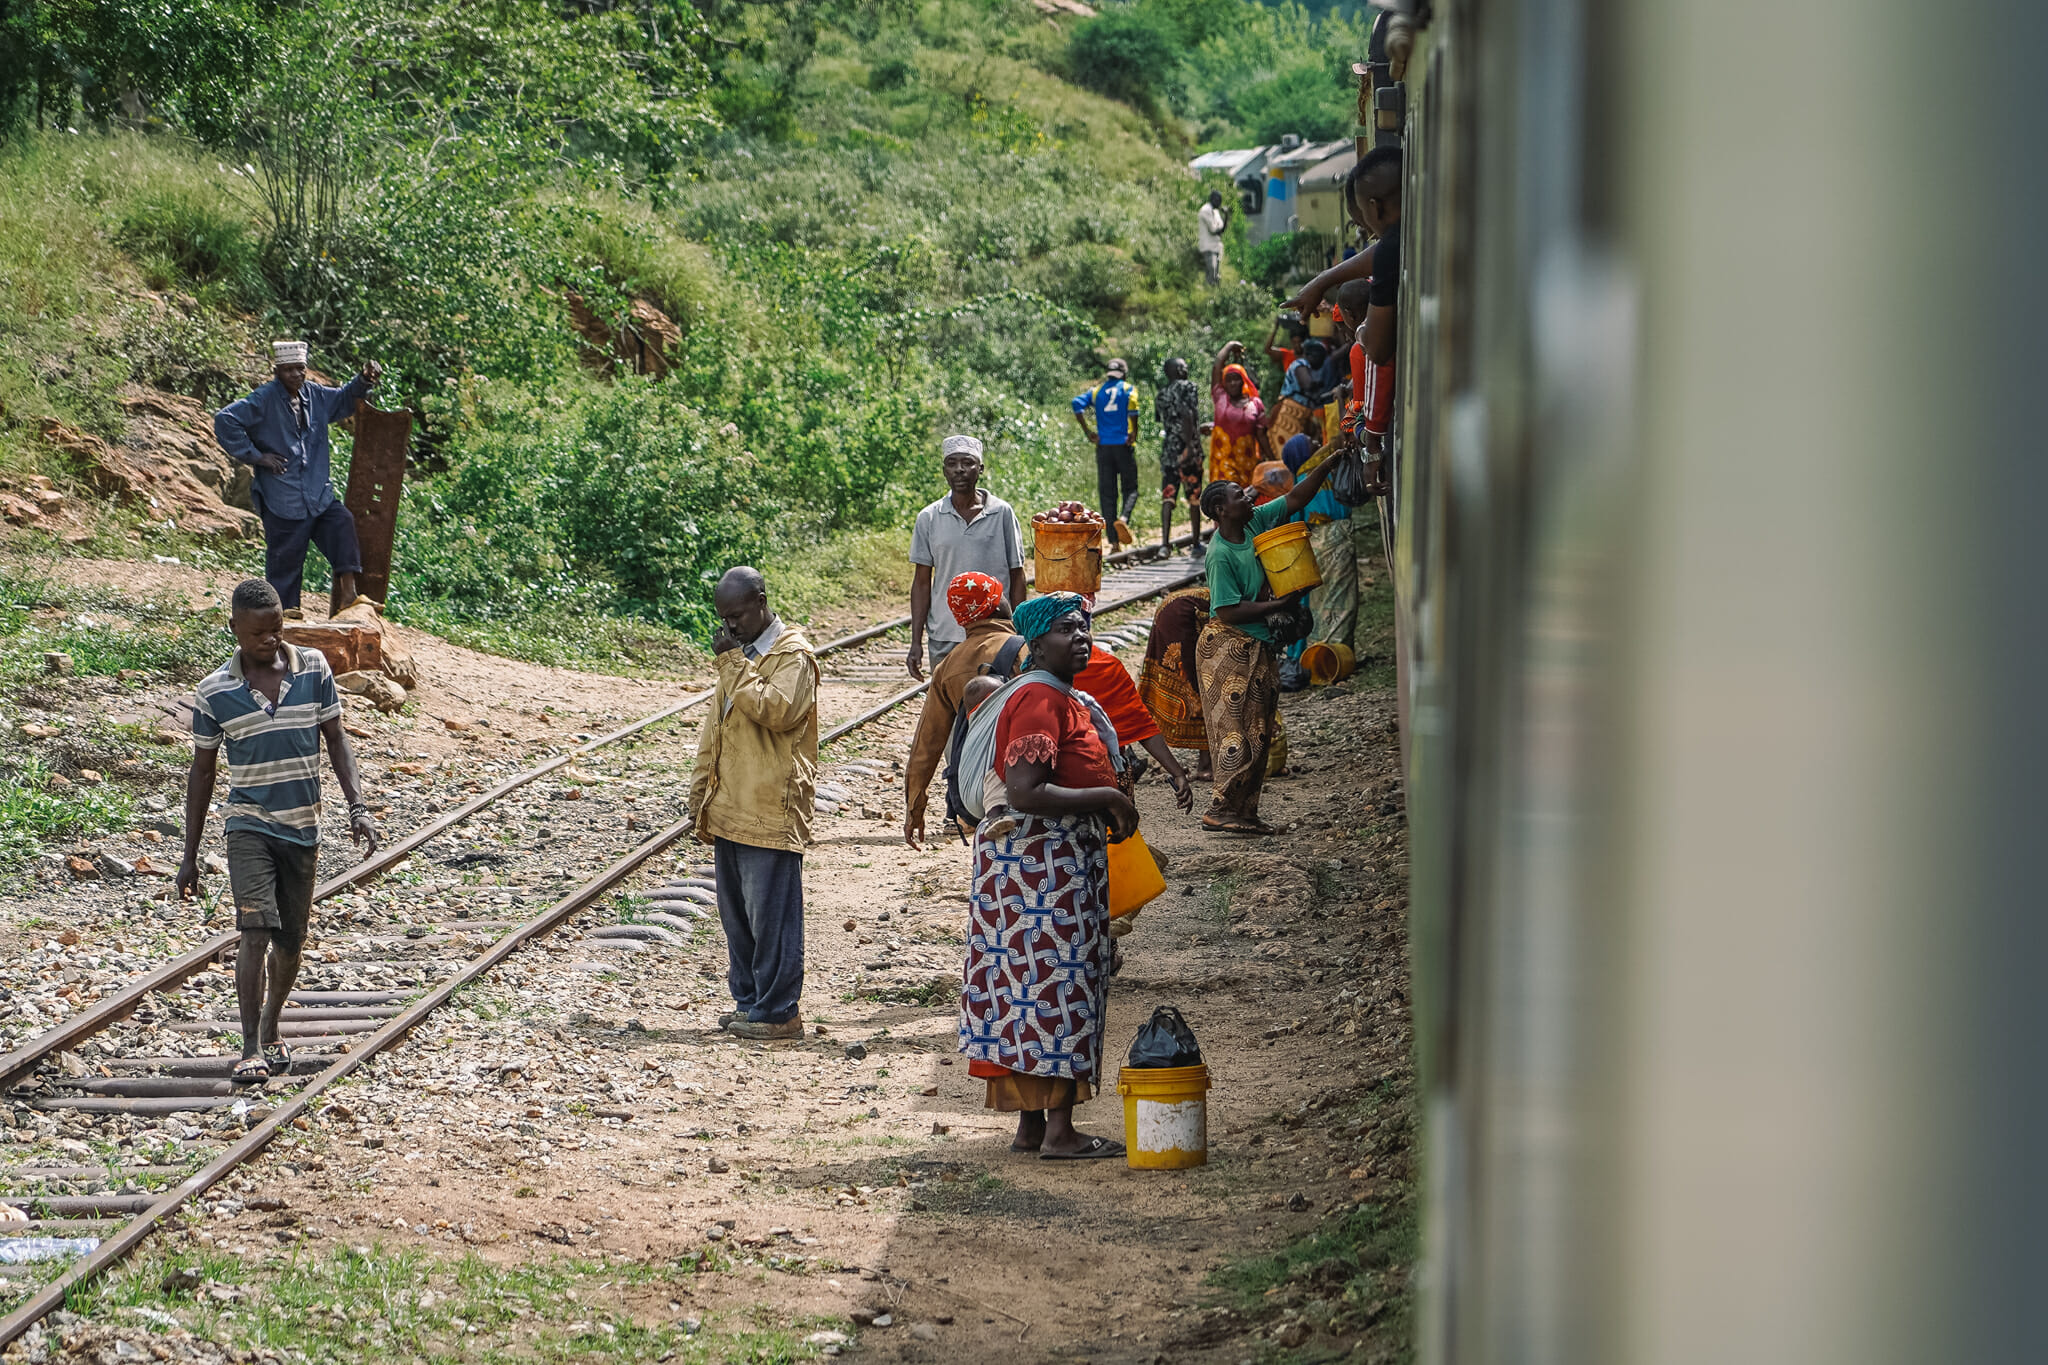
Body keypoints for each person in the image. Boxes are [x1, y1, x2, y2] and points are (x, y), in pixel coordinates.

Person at [175, 579, 378, 1082]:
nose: (269, 640)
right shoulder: (214, 692)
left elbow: (336, 739)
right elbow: (202, 772)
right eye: (257, 633)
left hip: (302, 826)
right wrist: (190, 853)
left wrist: (358, 806)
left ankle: (271, 1026)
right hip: (248, 824)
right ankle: (248, 1049)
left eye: (276, 629)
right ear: (234, 630)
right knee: (255, 929)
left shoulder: (313, 668)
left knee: (291, 941)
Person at [958, 592, 1137, 1160]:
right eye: (1067, 630)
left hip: (1038, 868)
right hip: (1043, 871)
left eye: (1086, 629)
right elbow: (1025, 790)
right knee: (1057, 987)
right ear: (1036, 645)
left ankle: (1032, 1127)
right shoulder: (1039, 698)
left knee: (1025, 991)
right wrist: (1107, 794)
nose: (1081, 638)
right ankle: (1060, 1132)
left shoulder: (1058, 695)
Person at [689, 567, 820, 1041]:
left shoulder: (793, 656)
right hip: (731, 806)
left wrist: (730, 664)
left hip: (770, 806)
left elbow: (778, 711)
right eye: (724, 618)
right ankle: (750, 1003)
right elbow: (716, 730)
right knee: (739, 918)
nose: (730, 627)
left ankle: (779, 1011)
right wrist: (701, 791)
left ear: (761, 602)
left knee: (772, 918)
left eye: (738, 616)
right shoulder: (739, 657)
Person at [1195, 453, 1340, 834]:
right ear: (1219, 510)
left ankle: (1244, 812)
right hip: (1228, 647)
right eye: (1237, 495)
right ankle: (1221, 808)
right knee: (1235, 734)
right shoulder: (1221, 554)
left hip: (1256, 646)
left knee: (1259, 731)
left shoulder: (1255, 522)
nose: (1247, 495)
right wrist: (1277, 605)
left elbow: (1295, 499)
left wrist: (1326, 466)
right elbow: (1226, 610)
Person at [213, 342, 383, 620]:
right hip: (283, 496)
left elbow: (342, 400)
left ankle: (349, 596)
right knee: (285, 560)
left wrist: (363, 380)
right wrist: (257, 456)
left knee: (342, 524)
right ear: (277, 371)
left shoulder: (314, 395)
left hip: (317, 493)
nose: (295, 375)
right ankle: (285, 616)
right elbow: (225, 420)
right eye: (288, 369)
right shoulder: (264, 399)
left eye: (300, 369)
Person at [904, 572, 1025, 850]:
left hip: (975, 786)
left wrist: (914, 810)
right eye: (1001, 594)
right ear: (996, 605)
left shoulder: (947, 666)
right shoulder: (1024, 650)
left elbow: (927, 743)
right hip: (1025, 773)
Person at [908, 435, 1027, 680]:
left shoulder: (1001, 512)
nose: (959, 470)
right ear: (944, 470)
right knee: (948, 707)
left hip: (996, 632)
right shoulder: (929, 518)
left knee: (996, 702)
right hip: (946, 633)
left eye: (968, 463)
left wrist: (1020, 630)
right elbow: (921, 582)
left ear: (980, 468)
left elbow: (1017, 574)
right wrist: (916, 641)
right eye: (952, 463)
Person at [1062, 639, 1196, 813]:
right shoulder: (1035, 679)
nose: (1077, 635)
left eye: (1080, 627)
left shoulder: (1107, 667)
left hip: (1100, 780)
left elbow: (1140, 724)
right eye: (1066, 629)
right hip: (1072, 784)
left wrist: (1177, 773)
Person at [1135, 587, 1212, 782]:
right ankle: (1206, 765)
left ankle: (1206, 763)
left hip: (1174, 608)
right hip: (1181, 616)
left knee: (1203, 687)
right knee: (1200, 687)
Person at [1071, 359, 1142, 549]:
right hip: (1123, 445)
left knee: (1107, 494)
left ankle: (1113, 542)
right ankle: (1124, 518)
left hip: (1103, 447)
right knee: (1131, 488)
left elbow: (1076, 403)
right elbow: (1133, 408)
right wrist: (1134, 431)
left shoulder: (1097, 391)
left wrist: (1088, 431)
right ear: (1124, 374)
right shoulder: (1128, 389)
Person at [1155, 358, 1203, 555]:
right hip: (1188, 449)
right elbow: (1187, 414)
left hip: (1169, 450)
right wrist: (1190, 447)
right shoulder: (1188, 387)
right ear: (1176, 371)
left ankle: (1164, 545)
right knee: (1194, 495)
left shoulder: (1161, 394)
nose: (1186, 369)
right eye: (1183, 366)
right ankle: (1196, 543)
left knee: (1169, 495)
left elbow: (1161, 420)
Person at [1208, 341, 1271, 490]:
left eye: (1237, 379)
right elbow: (1217, 365)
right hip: (1222, 462)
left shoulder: (1255, 404)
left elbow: (1261, 435)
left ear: (1244, 381)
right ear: (1224, 383)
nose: (1233, 383)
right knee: (1224, 496)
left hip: (1247, 464)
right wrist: (1230, 346)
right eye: (1228, 380)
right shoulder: (1220, 397)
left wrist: (1274, 460)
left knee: (1243, 502)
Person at [1268, 337, 1330, 450]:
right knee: (1289, 450)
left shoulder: (1309, 367)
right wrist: (1319, 385)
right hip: (1290, 414)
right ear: (1312, 356)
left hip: (1301, 415)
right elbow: (1307, 384)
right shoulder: (1300, 364)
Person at [1197, 190, 1229, 286]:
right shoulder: (1206, 210)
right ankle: (1208, 296)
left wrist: (1226, 216)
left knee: (1216, 276)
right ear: (1213, 199)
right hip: (1208, 247)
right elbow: (1214, 230)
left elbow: (1222, 229)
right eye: (1218, 200)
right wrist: (1219, 226)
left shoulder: (1215, 211)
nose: (1220, 203)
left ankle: (1212, 296)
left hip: (1216, 246)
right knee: (1212, 273)